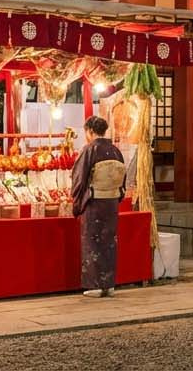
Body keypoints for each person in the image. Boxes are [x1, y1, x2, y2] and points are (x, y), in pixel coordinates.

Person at [71, 116, 126, 297]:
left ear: (90, 131)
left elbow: (79, 179)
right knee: (109, 241)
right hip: (111, 201)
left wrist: (77, 201)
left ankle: (95, 285)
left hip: (94, 202)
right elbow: (122, 177)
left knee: (92, 240)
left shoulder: (89, 150)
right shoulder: (116, 151)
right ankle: (109, 285)